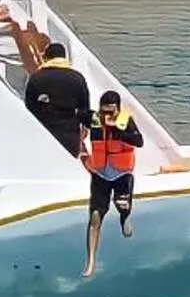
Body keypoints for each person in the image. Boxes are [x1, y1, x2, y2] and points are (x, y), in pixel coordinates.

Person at [81, 90, 143, 277]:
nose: (107, 116)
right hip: (100, 173)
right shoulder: (93, 119)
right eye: (104, 112)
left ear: (118, 110)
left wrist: (117, 129)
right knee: (95, 217)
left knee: (122, 206)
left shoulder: (125, 122)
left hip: (121, 174)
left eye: (111, 112)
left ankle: (124, 217)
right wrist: (80, 137)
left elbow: (139, 141)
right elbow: (71, 114)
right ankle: (91, 261)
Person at [23, 41, 91, 157]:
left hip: (43, 130)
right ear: (64, 57)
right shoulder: (77, 78)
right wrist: (84, 130)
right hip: (69, 132)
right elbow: (84, 109)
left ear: (47, 57)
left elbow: (29, 106)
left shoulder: (36, 78)